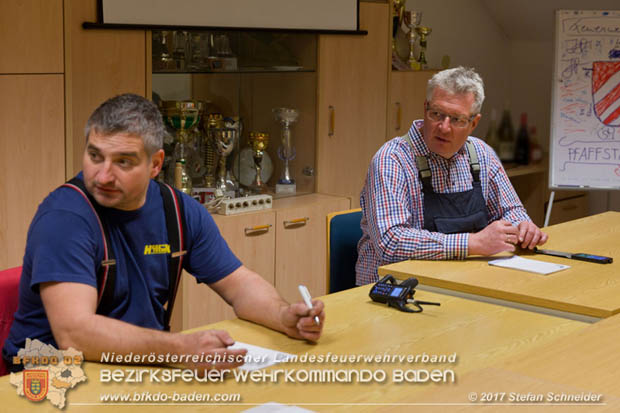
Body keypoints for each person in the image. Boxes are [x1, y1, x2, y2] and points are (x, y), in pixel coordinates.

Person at [3, 94, 324, 372]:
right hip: (51, 383)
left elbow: (239, 284)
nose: (102, 175)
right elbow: (75, 334)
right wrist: (179, 349)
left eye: (123, 162)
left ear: (156, 164)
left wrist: (283, 316)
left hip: (136, 369)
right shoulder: (65, 218)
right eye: (95, 156)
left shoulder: (178, 210)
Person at [356, 67, 548, 285]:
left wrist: (523, 228)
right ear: (425, 107)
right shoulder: (392, 160)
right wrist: (472, 243)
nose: (444, 128)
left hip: (463, 282)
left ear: (474, 123)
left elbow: (511, 210)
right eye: (436, 114)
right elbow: (390, 241)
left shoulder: (481, 154)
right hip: (394, 291)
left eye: (457, 119)